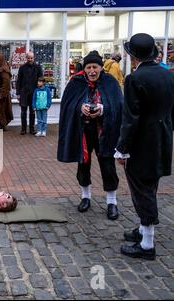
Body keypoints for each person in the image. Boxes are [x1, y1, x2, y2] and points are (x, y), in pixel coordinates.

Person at [115, 33, 174, 260]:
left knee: (142, 190)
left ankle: (147, 244)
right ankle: (142, 230)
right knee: (151, 185)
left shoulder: (134, 79)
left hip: (142, 143)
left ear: (133, 56)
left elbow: (131, 119)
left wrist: (122, 148)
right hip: (162, 138)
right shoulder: (168, 75)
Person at [57, 50, 123, 220]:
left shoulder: (110, 82)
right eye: (88, 67)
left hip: (105, 132)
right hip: (84, 131)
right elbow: (67, 105)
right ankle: (85, 197)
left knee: (108, 165)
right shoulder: (76, 82)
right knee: (83, 163)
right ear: (84, 68)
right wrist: (80, 107)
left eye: (95, 67)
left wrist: (103, 109)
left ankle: (111, 201)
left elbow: (119, 105)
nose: (92, 71)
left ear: (101, 68)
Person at [16, 51, 43, 135]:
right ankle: (23, 129)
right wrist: (18, 93)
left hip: (34, 93)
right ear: (26, 58)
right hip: (24, 93)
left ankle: (32, 129)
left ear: (33, 58)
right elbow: (19, 81)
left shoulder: (38, 67)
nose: (30, 59)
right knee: (23, 112)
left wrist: (40, 91)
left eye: (31, 58)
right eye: (28, 58)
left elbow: (41, 80)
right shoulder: (22, 68)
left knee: (32, 112)